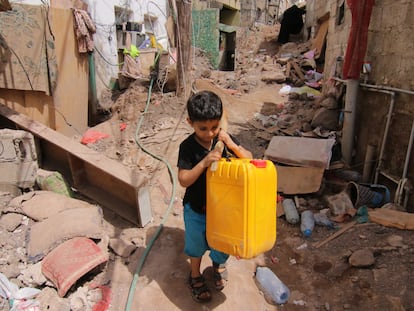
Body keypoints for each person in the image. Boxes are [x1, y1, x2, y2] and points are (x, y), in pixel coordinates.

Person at [177, 90, 252, 302]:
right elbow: (183, 179)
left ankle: (218, 266)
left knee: (223, 244)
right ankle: (194, 275)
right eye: (203, 128)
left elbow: (250, 159)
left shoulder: (224, 139)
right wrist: (204, 163)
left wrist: (231, 144)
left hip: (224, 210)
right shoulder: (188, 147)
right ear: (190, 122)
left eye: (214, 127)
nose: (210, 134)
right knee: (196, 245)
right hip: (197, 209)